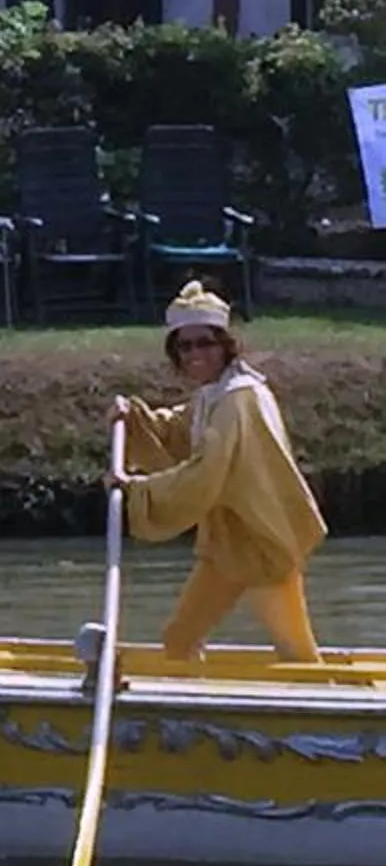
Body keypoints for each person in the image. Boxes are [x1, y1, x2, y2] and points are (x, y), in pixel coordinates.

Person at [115, 281, 327, 664]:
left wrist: (139, 488)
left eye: (205, 343)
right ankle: (190, 711)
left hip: (263, 540)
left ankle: (332, 718)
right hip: (229, 544)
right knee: (180, 638)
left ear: (225, 344)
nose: (196, 353)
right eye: (185, 346)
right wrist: (136, 419)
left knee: (295, 652)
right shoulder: (215, 394)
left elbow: (205, 472)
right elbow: (184, 427)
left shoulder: (239, 397)